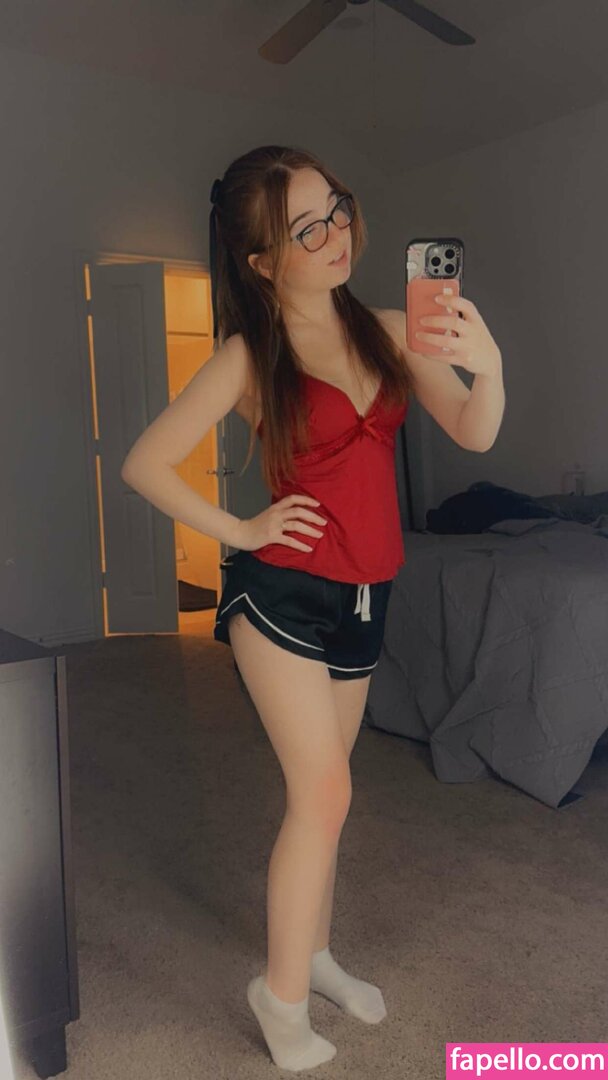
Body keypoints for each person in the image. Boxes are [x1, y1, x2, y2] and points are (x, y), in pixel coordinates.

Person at [121, 144, 504, 1072]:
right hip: (282, 595)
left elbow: (474, 429)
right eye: (306, 228)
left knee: (329, 800)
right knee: (323, 792)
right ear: (262, 261)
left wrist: (487, 362)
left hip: (366, 592)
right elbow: (144, 463)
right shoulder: (251, 356)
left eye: (336, 208)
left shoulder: (387, 329)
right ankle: (280, 996)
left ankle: (318, 955)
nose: (336, 234)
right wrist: (241, 529)